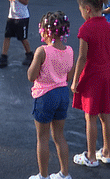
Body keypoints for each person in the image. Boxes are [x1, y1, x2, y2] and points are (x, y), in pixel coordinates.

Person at [71, 0, 110, 167]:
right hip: (107, 74)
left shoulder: (86, 28)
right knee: (105, 115)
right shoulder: (109, 27)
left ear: (87, 9)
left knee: (90, 117)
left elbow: (82, 58)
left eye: (81, 10)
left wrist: (74, 81)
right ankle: (107, 152)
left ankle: (91, 156)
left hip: (92, 76)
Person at [28, 11, 74, 179]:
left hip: (45, 95)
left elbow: (31, 76)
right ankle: (64, 173)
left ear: (46, 31)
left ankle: (43, 175)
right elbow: (68, 75)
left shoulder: (42, 51)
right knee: (59, 135)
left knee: (42, 138)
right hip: (62, 94)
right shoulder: (69, 50)